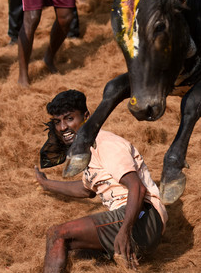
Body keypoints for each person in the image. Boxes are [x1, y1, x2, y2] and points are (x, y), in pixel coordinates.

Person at [35, 90, 167, 271]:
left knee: (57, 234)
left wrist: (125, 231)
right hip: (130, 220)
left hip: (143, 219)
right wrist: (46, 184)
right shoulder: (86, 147)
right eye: (58, 122)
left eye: (69, 119)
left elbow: (137, 188)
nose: (63, 127)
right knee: (71, 251)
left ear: (86, 116)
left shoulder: (105, 143)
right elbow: (85, 189)